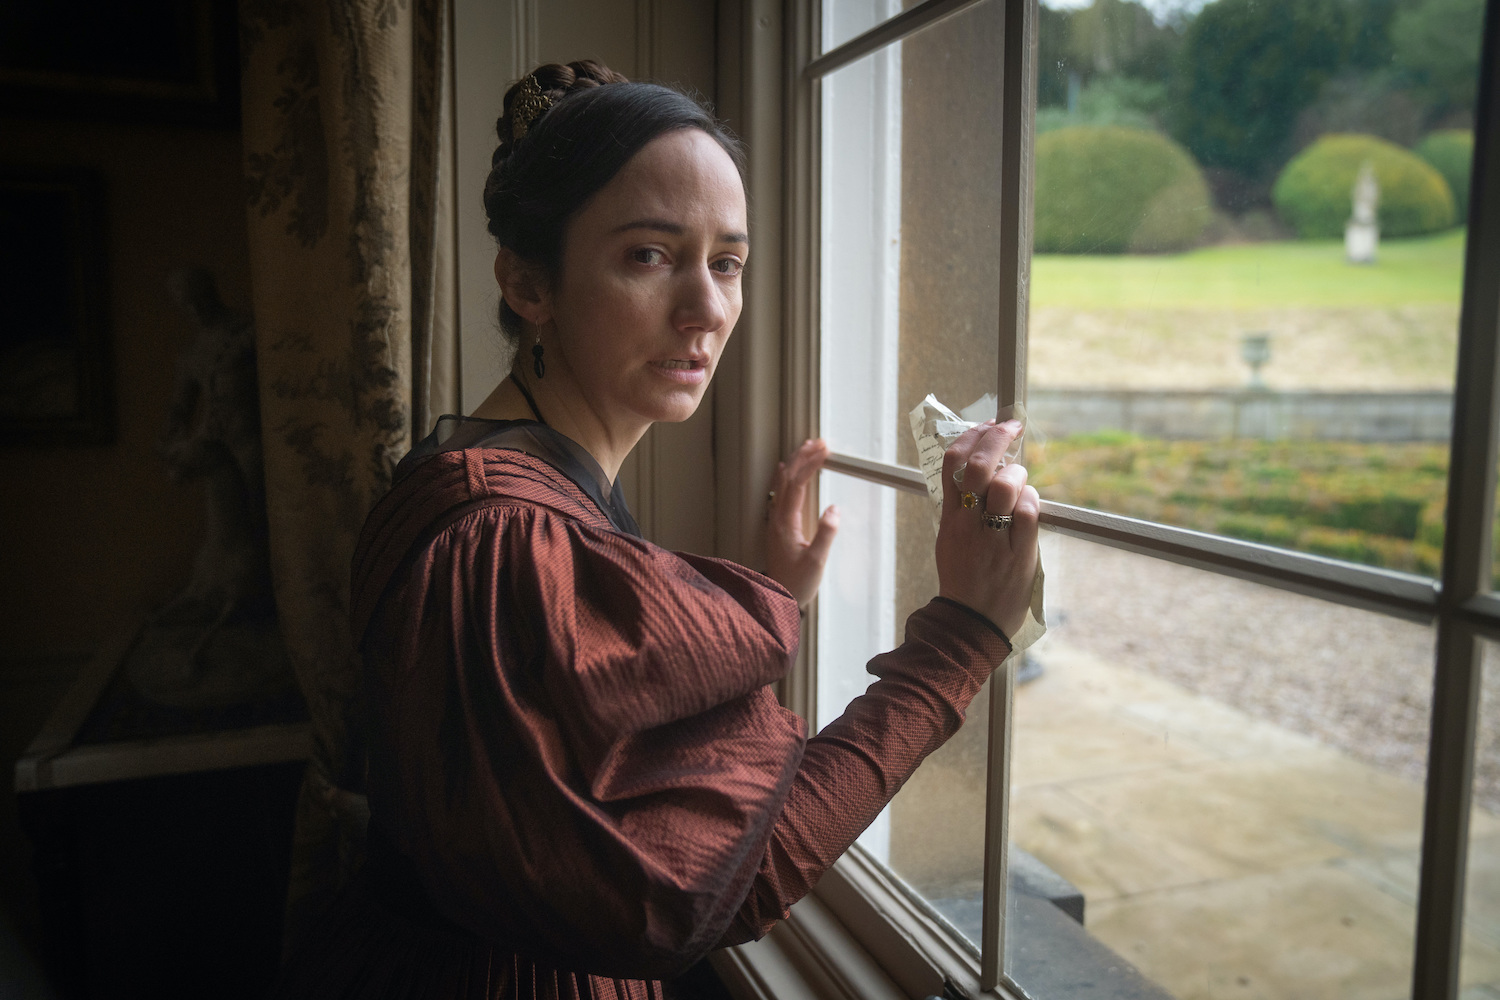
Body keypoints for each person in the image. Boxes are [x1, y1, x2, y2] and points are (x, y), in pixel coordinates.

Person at [273, 60, 1041, 1000]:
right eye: (649, 255)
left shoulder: (503, 478)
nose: (709, 309)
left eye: (728, 262)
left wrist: (776, 598)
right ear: (527, 282)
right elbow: (710, 889)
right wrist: (959, 640)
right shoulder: (504, 540)